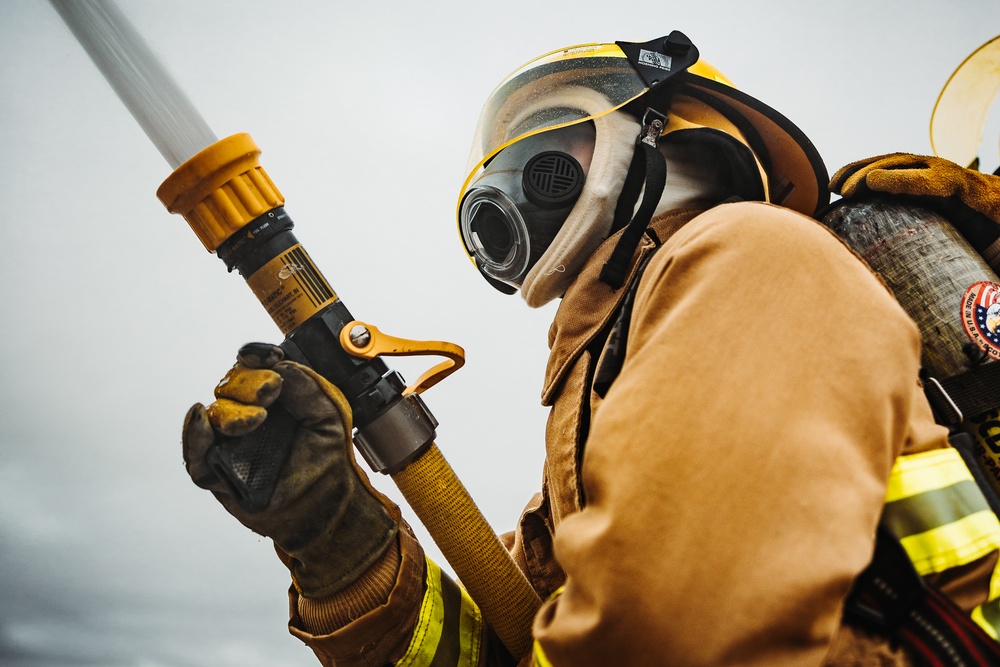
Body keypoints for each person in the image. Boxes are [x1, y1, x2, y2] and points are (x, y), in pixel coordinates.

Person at [181, 31, 1000, 666]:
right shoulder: (607, 383)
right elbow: (510, 643)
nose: (509, 173)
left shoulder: (744, 253)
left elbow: (666, 635)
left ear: (664, 134)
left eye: (546, 131)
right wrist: (334, 535)